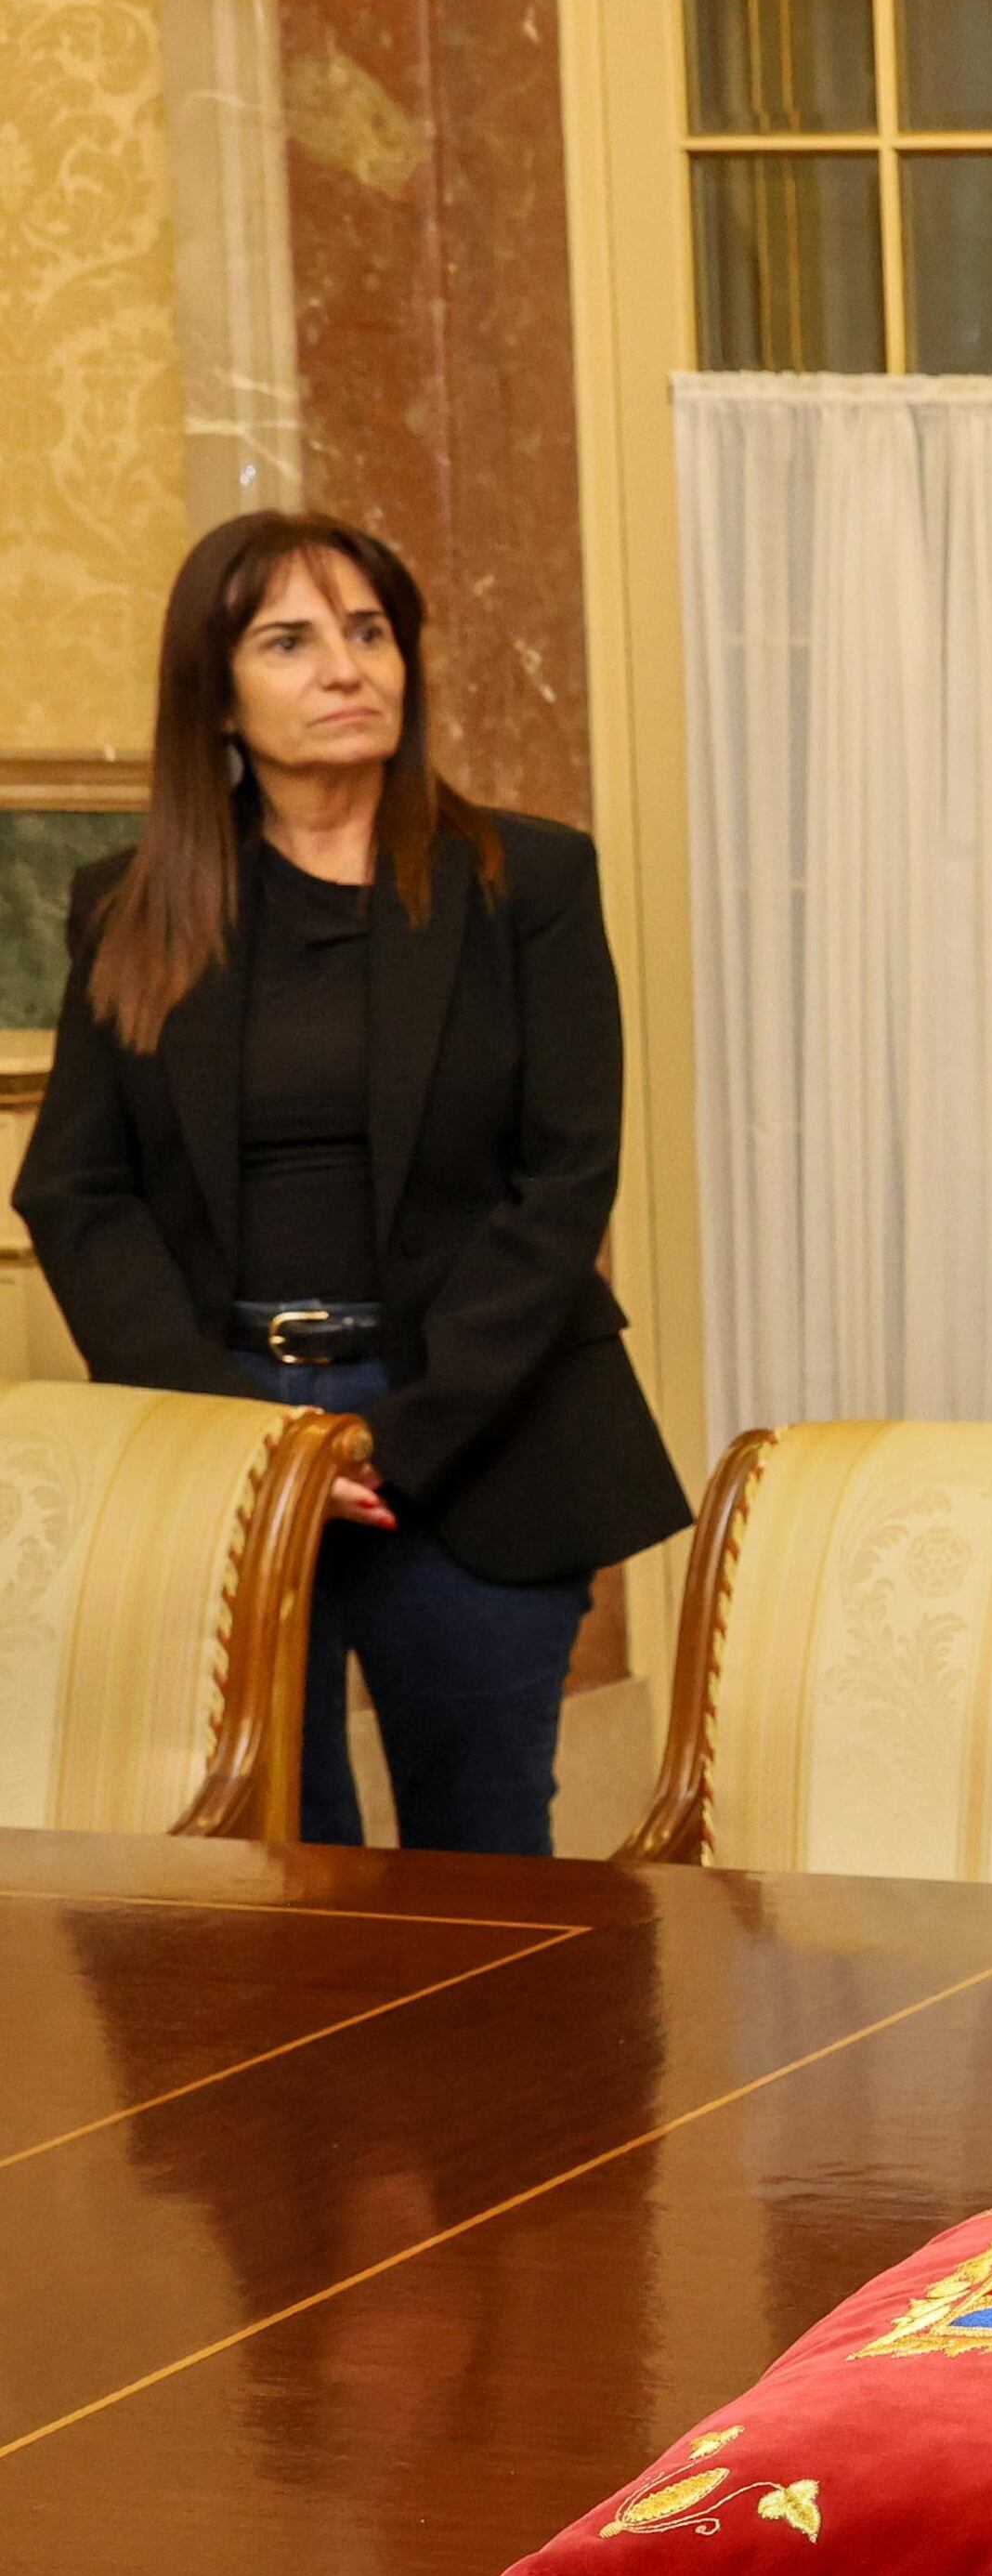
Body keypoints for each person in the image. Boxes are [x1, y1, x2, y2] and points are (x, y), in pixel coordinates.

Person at [17, 513, 688, 1855]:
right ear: (215, 693)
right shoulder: (129, 903)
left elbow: (565, 1184)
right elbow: (77, 1193)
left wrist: (393, 1438)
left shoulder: (527, 879)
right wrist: (247, 1439)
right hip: (227, 1434)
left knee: (482, 1864)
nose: (347, 667)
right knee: (269, 1864)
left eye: (370, 633)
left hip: (478, 1435)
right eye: (292, 641)